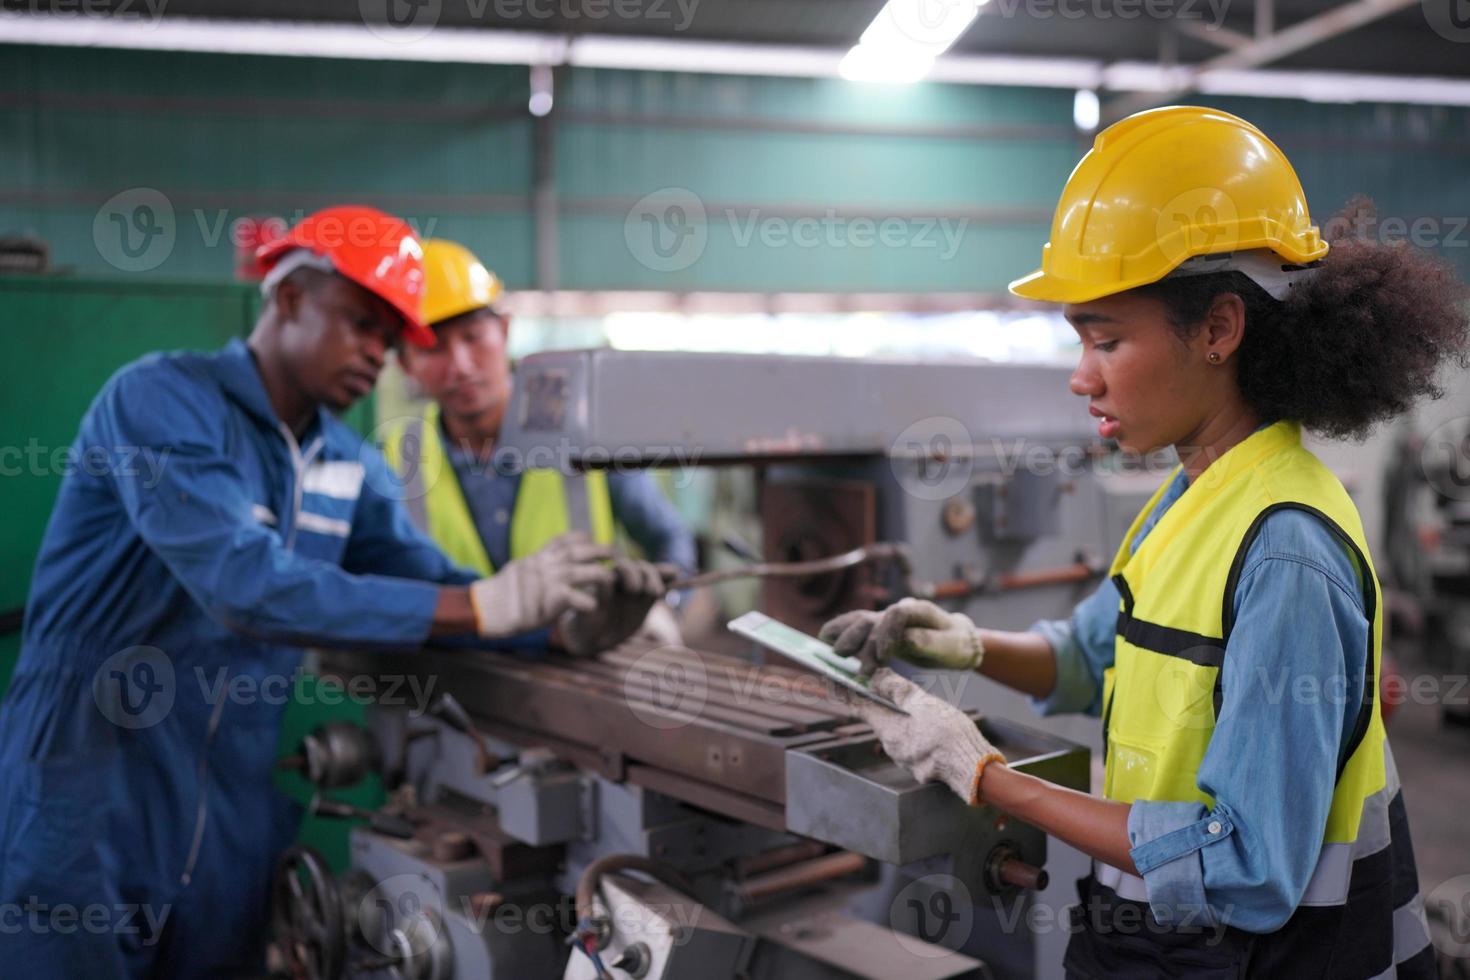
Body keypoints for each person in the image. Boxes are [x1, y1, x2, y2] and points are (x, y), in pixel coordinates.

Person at [820, 107, 1468, 978]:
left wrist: (986, 776)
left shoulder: (1285, 552)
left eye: (1108, 339)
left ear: (1219, 329)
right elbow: (1091, 656)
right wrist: (963, 642)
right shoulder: (1189, 494)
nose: (1081, 376)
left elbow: (1246, 865)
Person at [0, 205, 666, 977]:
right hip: (89, 787)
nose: (376, 353)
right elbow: (241, 582)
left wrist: (556, 623)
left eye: (389, 339)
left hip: (232, 807)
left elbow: (426, 577)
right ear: (288, 300)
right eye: (361, 323)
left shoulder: (342, 459)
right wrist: (484, 606)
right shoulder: (161, 404)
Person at [385, 238, 695, 647]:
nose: (459, 365)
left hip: (584, 667)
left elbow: (667, 537)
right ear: (406, 363)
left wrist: (663, 606)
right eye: (433, 349)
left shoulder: (588, 435)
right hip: (451, 677)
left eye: (473, 337)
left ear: (505, 329)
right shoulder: (392, 458)